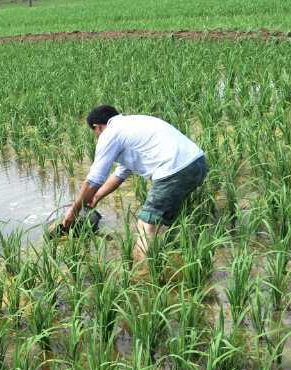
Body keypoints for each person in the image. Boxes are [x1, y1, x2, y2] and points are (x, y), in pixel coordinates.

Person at [58, 105, 207, 264]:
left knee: (146, 226)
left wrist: (74, 210)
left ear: (97, 127)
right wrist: (96, 197)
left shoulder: (110, 133)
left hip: (173, 170)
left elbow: (94, 179)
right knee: (163, 221)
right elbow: (120, 174)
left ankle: (141, 274)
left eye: (94, 133)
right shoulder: (132, 125)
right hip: (198, 163)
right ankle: (173, 256)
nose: (96, 136)